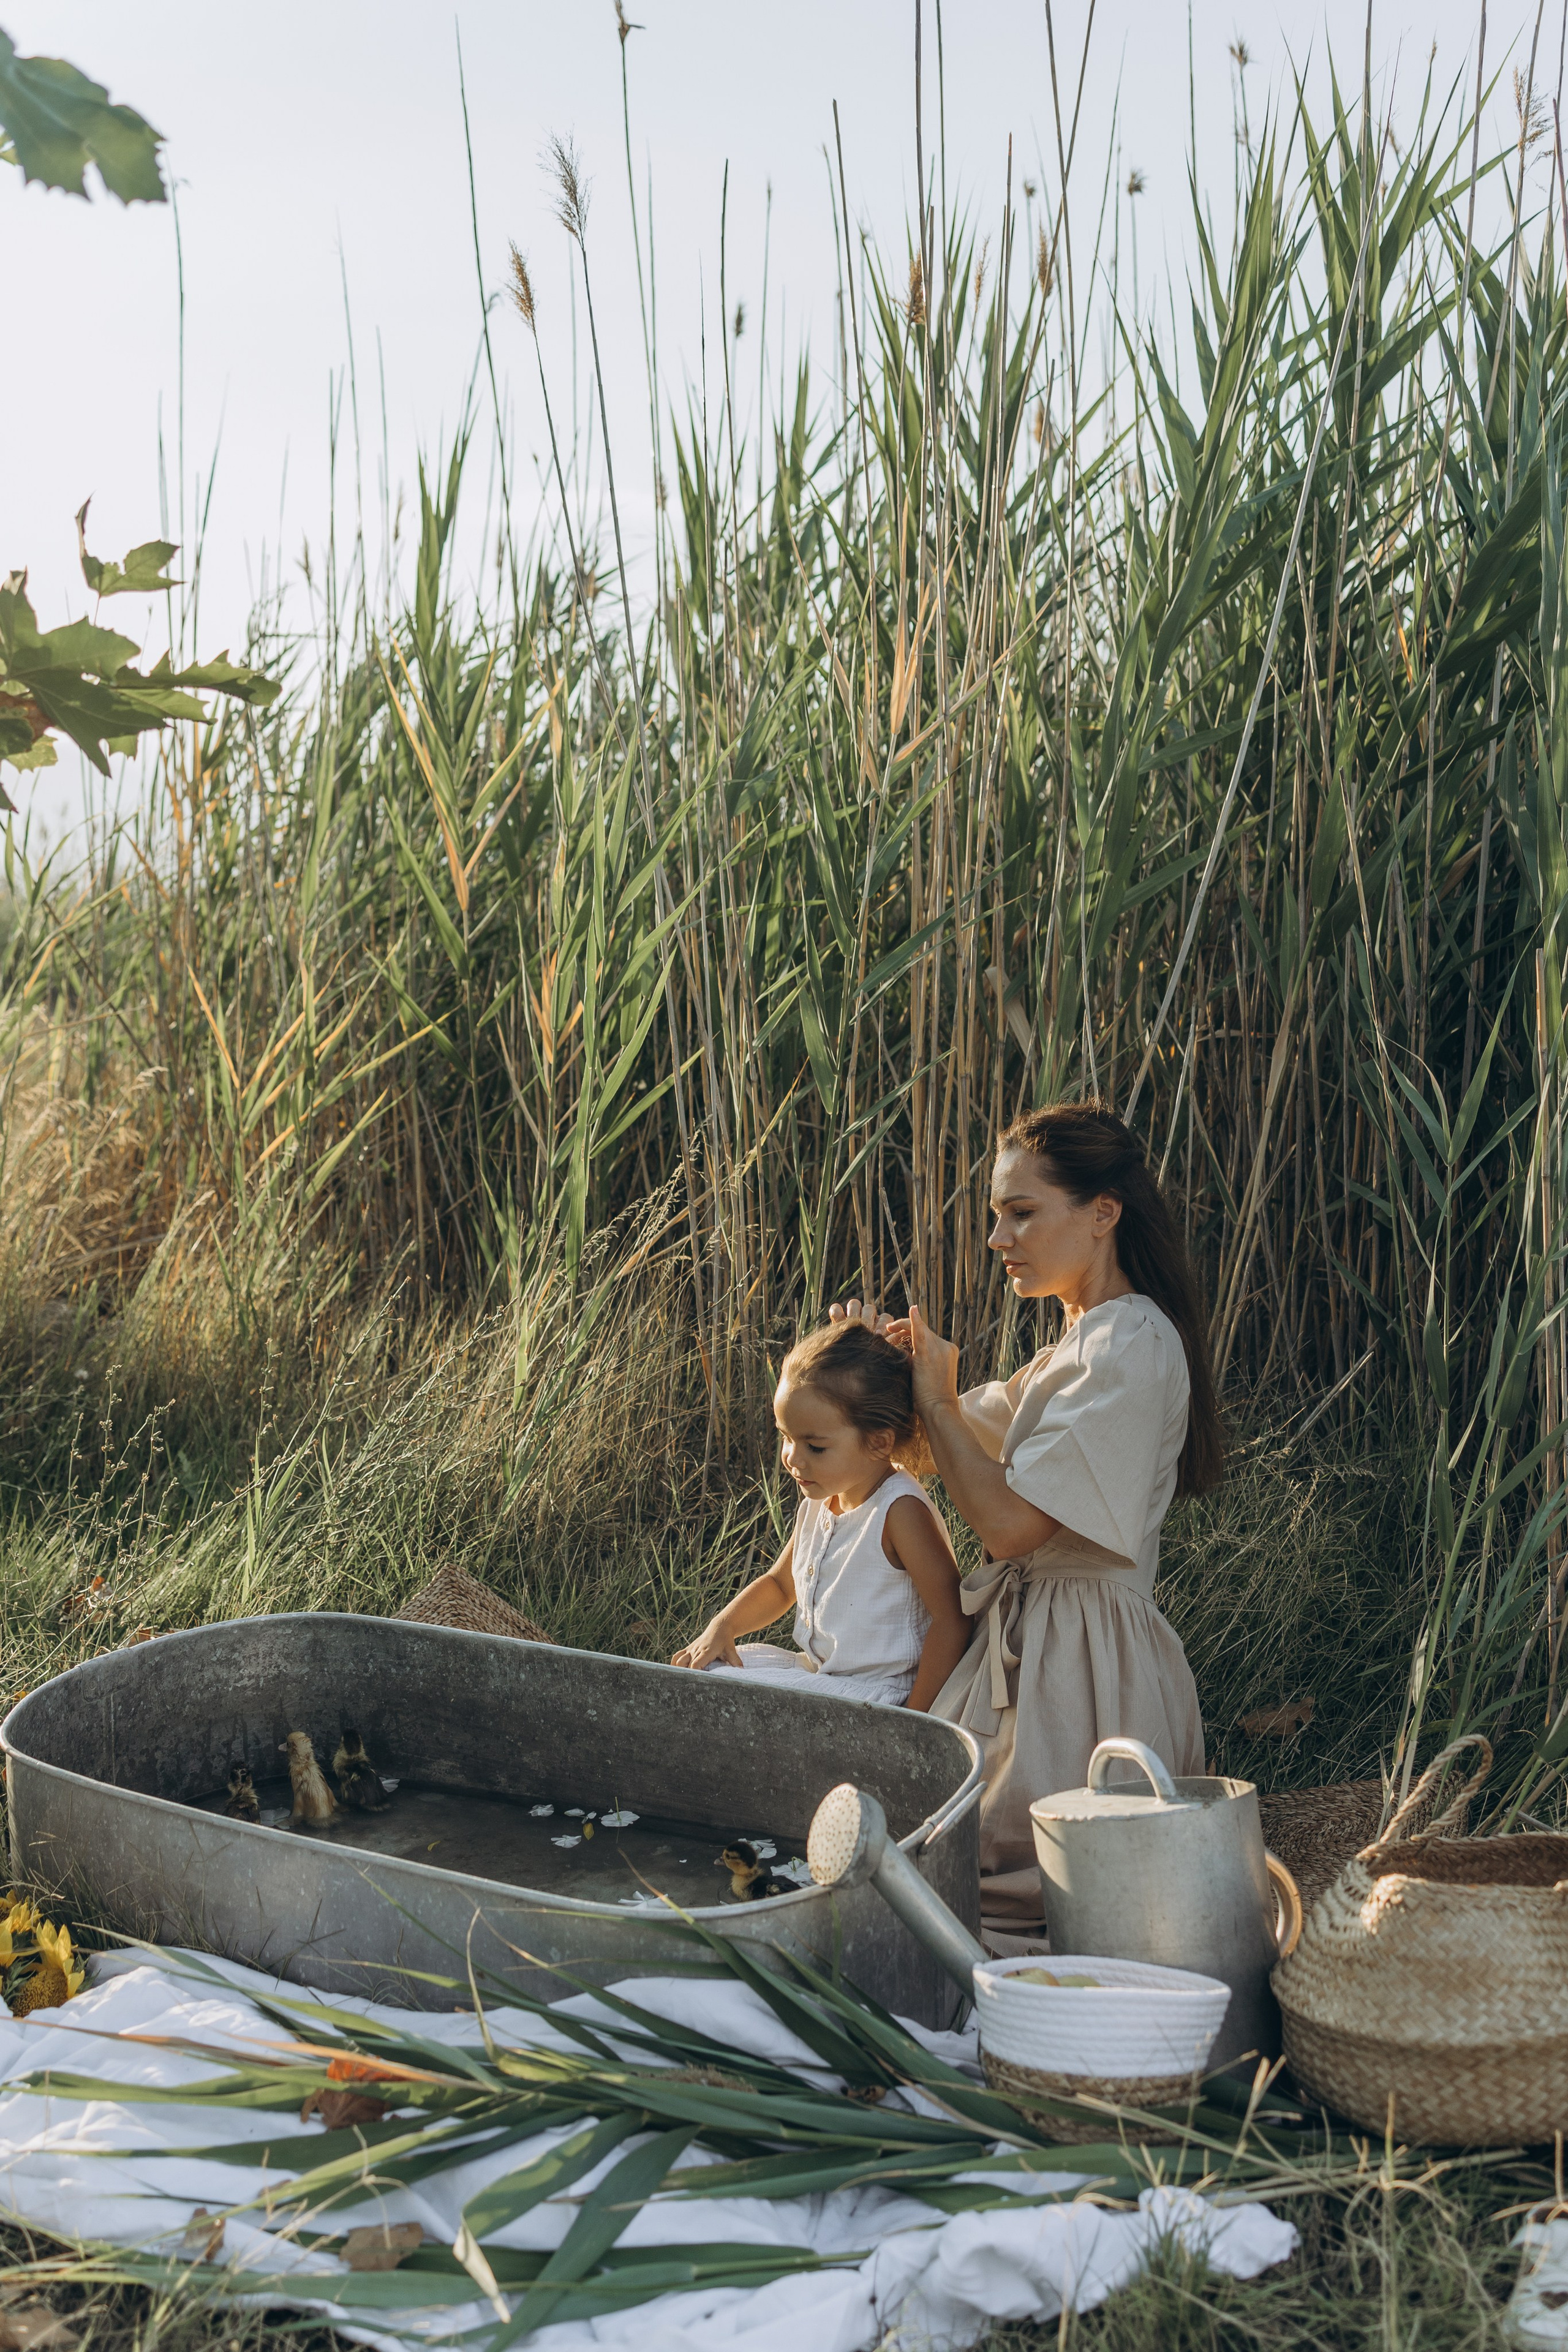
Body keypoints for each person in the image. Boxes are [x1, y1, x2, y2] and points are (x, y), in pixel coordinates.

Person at [834, 1100, 1223, 1938]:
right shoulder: (1073, 1350)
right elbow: (937, 1450)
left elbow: (1007, 1525)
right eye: (994, 1217)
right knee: (933, 1841)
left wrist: (936, 1397)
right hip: (1036, 1638)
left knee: (1012, 1881)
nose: (997, 1238)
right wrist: (870, 1371)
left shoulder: (1132, 1344)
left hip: (1083, 1664)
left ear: (1102, 1214)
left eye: (1021, 1213)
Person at [670, 1321, 968, 1708]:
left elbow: (952, 1617)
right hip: (822, 1673)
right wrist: (722, 1626)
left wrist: (915, 1719)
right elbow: (780, 1585)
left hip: (879, 1694)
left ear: (879, 1442)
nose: (793, 1458)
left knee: (724, 1688)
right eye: (786, 1437)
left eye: (815, 1446)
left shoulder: (900, 1511)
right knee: (703, 1668)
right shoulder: (820, 1499)